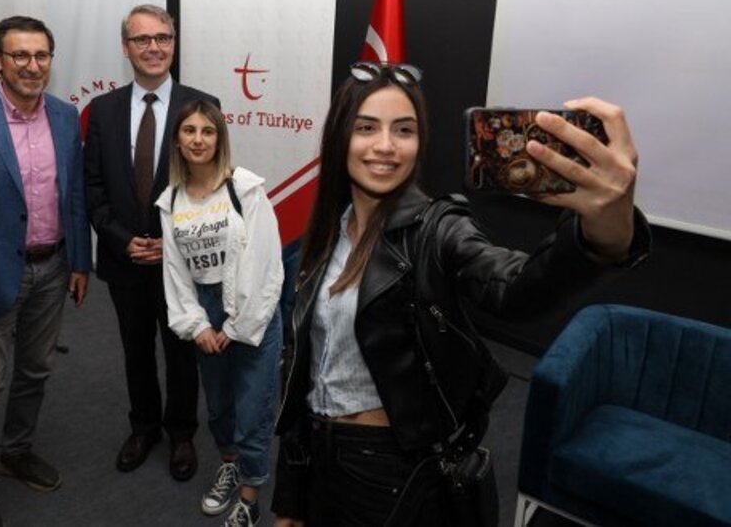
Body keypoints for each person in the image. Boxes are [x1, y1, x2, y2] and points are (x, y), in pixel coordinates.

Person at [271, 62, 650, 526]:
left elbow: (514, 290)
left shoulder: (438, 228)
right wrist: (290, 495)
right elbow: (304, 370)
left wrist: (604, 233)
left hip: (386, 471)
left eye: (404, 130)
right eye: (366, 128)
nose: (386, 145)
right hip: (316, 455)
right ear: (339, 137)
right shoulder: (330, 228)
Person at [0, 15, 91, 526]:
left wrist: (80, 261)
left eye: (41, 55)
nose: (32, 66)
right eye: (20, 55)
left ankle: (16, 451)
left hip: (52, 268)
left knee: (35, 370)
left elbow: (73, 194)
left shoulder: (65, 115)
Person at [85, 4, 218, 481]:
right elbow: (93, 187)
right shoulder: (102, 110)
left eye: (163, 38)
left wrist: (171, 244)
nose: (154, 47)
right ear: (126, 48)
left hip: (180, 261)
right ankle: (143, 427)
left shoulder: (202, 105)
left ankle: (181, 432)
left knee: (181, 351)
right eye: (142, 39)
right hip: (124, 260)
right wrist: (122, 240)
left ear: (174, 44)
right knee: (135, 349)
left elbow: (212, 190)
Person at [157, 100, 284, 527]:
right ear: (177, 140)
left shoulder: (244, 188)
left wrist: (237, 324)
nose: (198, 139)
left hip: (251, 307)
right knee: (219, 407)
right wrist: (197, 324)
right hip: (205, 310)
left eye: (207, 131)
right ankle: (230, 465)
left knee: (253, 408)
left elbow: (265, 263)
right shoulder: (171, 200)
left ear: (220, 138)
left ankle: (250, 493)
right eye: (189, 130)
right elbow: (175, 271)